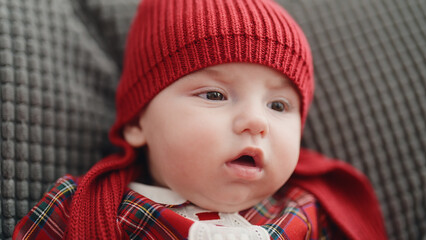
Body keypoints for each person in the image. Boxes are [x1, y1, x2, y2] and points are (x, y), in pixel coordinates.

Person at [13, 0, 387, 239]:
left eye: (278, 106)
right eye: (214, 95)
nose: (256, 122)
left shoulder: (310, 211)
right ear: (138, 122)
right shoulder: (85, 212)